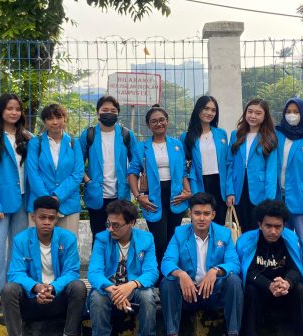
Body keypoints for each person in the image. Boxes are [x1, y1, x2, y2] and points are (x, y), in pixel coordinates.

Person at [2, 196, 87, 336]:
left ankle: (69, 333)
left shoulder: (68, 239)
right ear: (33, 217)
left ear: (57, 218)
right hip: (31, 300)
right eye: (42, 217)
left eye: (51, 218)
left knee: (78, 286)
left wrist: (52, 288)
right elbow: (15, 273)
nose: (47, 222)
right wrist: (36, 287)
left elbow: (72, 272)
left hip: (57, 299)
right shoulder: (21, 240)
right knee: (9, 289)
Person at [160, 192, 243, 336]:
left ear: (213, 215)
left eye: (206, 213)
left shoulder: (224, 234)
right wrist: (181, 274)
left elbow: (234, 264)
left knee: (234, 280)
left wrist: (215, 270)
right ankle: (172, 332)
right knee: (168, 282)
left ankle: (233, 332)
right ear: (190, 214)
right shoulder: (180, 233)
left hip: (213, 292)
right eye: (197, 213)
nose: (202, 218)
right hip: (188, 293)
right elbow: (167, 262)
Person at [0, 93, 32, 313]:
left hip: (23, 200)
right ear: (1, 111)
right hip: (0, 203)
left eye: (17, 109)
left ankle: (12, 290)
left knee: (18, 247)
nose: (14, 112)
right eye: (9, 108)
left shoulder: (27, 137)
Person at [128, 105, 191, 271]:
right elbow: (132, 173)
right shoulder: (142, 147)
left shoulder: (176, 144)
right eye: (154, 121)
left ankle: (171, 275)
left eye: (162, 120)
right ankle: (157, 277)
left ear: (167, 121)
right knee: (159, 241)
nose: (159, 124)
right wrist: (138, 196)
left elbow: (183, 172)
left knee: (173, 239)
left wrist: (188, 192)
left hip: (175, 197)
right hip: (153, 198)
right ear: (148, 125)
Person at [236, 199, 303, 336]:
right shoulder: (246, 240)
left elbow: (297, 269)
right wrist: (269, 285)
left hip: (285, 291)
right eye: (268, 226)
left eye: (278, 226)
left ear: (284, 225)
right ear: (260, 224)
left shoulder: (291, 239)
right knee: (251, 290)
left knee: (300, 290)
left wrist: (287, 283)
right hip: (261, 291)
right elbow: (248, 272)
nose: (273, 231)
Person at [87, 199, 158, 336]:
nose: (110, 229)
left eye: (116, 225)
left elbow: (151, 272)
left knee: (147, 296)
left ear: (131, 223)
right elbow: (94, 272)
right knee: (97, 297)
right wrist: (113, 290)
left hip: (134, 288)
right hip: (109, 288)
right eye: (108, 224)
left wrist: (131, 285)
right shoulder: (101, 239)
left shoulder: (146, 239)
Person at [80, 95, 137, 243]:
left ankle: (120, 260)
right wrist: (88, 181)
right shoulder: (89, 134)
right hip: (96, 194)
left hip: (120, 194)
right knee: (98, 236)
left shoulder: (126, 134)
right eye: (105, 110)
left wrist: (130, 179)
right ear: (98, 112)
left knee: (121, 236)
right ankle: (98, 260)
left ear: (118, 113)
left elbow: (136, 161)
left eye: (113, 110)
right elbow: (78, 162)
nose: (109, 113)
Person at [26, 103, 84, 235]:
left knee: (67, 245)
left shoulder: (74, 143)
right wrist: (47, 200)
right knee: (38, 245)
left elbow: (78, 173)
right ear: (44, 121)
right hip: (39, 204)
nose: (55, 122)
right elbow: (33, 173)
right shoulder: (35, 143)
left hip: (68, 205)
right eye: (50, 118)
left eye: (59, 117)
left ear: (65, 119)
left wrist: (58, 196)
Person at [227, 98, 278, 231]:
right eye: (250, 111)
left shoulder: (269, 137)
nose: (253, 116)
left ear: (265, 116)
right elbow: (229, 164)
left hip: (259, 190)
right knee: (239, 229)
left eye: (258, 113)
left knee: (258, 229)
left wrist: (268, 200)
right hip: (238, 189)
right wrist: (229, 191)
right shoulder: (236, 135)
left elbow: (271, 171)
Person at [275, 97, 303, 241]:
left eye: (296, 111)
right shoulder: (277, 134)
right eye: (288, 111)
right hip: (278, 197)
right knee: (281, 240)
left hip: (301, 199)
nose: (292, 115)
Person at [181, 96, 231, 226]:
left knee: (219, 223)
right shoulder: (186, 137)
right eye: (206, 109)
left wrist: (230, 190)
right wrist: (188, 189)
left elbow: (228, 163)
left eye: (213, 110)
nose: (209, 113)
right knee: (200, 223)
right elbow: (183, 166)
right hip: (198, 183)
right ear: (198, 110)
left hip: (219, 183)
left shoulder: (221, 134)